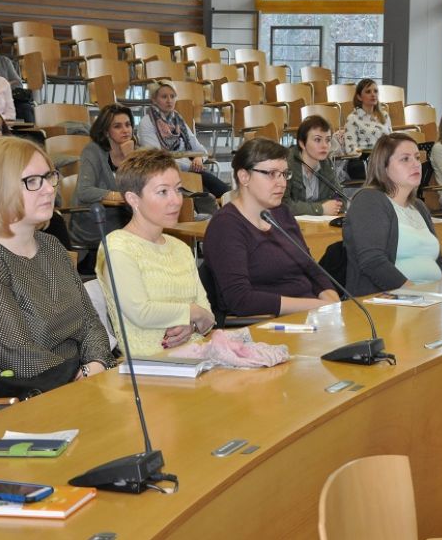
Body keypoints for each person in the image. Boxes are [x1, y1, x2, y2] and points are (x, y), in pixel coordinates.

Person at [0, 137, 115, 400]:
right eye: (32, 181)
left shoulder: (51, 246)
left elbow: (90, 322)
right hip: (0, 403)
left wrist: (97, 365)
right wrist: (82, 378)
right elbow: (18, 354)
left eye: (49, 176)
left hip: (71, 386)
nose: (48, 189)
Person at [96, 149, 214, 358]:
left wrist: (192, 327)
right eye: (163, 192)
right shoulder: (118, 246)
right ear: (133, 199)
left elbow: (208, 317)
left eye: (178, 190)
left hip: (196, 356)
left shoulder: (180, 248)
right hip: (149, 365)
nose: (176, 200)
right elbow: (141, 312)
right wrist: (192, 312)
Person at [203, 138, 340, 317]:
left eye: (284, 174)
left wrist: (332, 300)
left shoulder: (281, 213)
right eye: (271, 174)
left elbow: (311, 268)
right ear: (244, 177)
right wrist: (313, 305)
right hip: (267, 323)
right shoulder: (226, 226)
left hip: (311, 315)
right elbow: (240, 299)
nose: (282, 183)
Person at [344, 132, 442, 297]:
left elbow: (438, 259)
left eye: (417, 158)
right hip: (390, 301)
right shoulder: (369, 200)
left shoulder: (419, 206)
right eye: (405, 159)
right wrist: (417, 293)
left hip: (428, 298)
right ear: (384, 166)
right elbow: (373, 261)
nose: (416, 164)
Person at [137, 80, 230, 198]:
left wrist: (198, 158)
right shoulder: (146, 122)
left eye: (172, 96)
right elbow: (157, 158)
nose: (169, 100)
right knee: (212, 195)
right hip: (164, 173)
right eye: (164, 97)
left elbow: (200, 149)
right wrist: (189, 165)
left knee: (217, 194)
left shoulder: (177, 120)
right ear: (154, 100)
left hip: (190, 171)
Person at [70, 104, 134, 257]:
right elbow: (84, 191)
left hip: (124, 220)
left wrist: (131, 159)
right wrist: (118, 196)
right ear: (106, 131)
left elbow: (143, 188)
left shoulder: (133, 151)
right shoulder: (93, 151)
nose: (125, 130)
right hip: (96, 223)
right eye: (117, 126)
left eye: (128, 125)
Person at [284, 115, 345, 216]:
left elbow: (341, 199)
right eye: (317, 140)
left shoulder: (326, 164)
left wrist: (329, 207)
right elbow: (282, 205)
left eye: (328, 140)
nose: (325, 145)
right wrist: (320, 209)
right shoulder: (287, 165)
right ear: (302, 143)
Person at [343, 78, 392, 156]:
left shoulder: (385, 116)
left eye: (375, 91)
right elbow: (351, 149)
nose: (373, 94)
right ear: (359, 97)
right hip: (364, 159)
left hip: (384, 157)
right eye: (368, 91)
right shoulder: (352, 118)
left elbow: (391, 143)